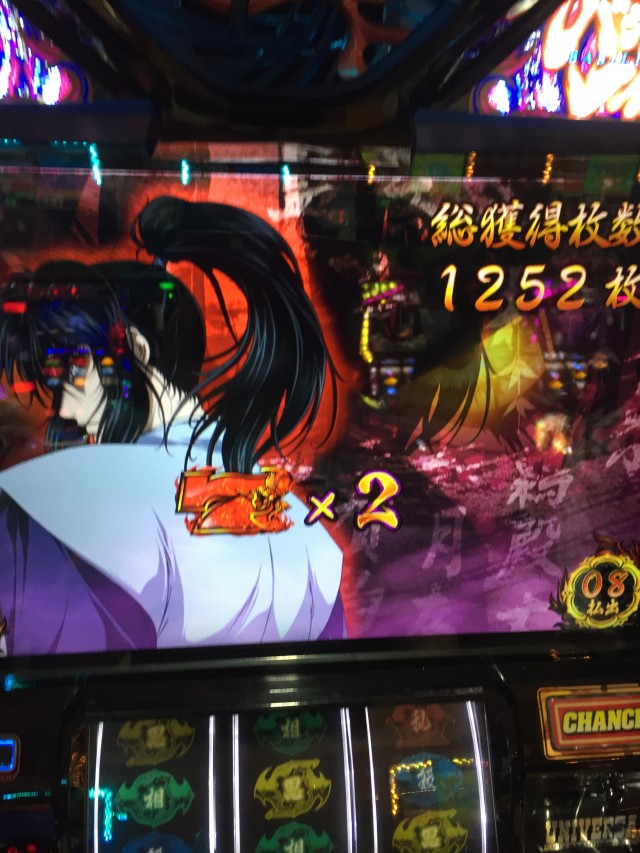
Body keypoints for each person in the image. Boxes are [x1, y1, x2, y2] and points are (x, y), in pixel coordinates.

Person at [0, 196, 344, 656]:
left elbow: (47, 673)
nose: (66, 411)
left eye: (73, 373)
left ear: (136, 349)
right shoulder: (308, 536)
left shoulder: (56, 507)